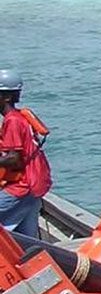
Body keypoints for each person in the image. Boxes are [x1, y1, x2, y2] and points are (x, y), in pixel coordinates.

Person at [0, 69, 52, 238]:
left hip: (22, 187)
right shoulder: (19, 118)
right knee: (28, 240)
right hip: (33, 186)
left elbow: (14, 159)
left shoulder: (12, 121)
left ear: (6, 97)